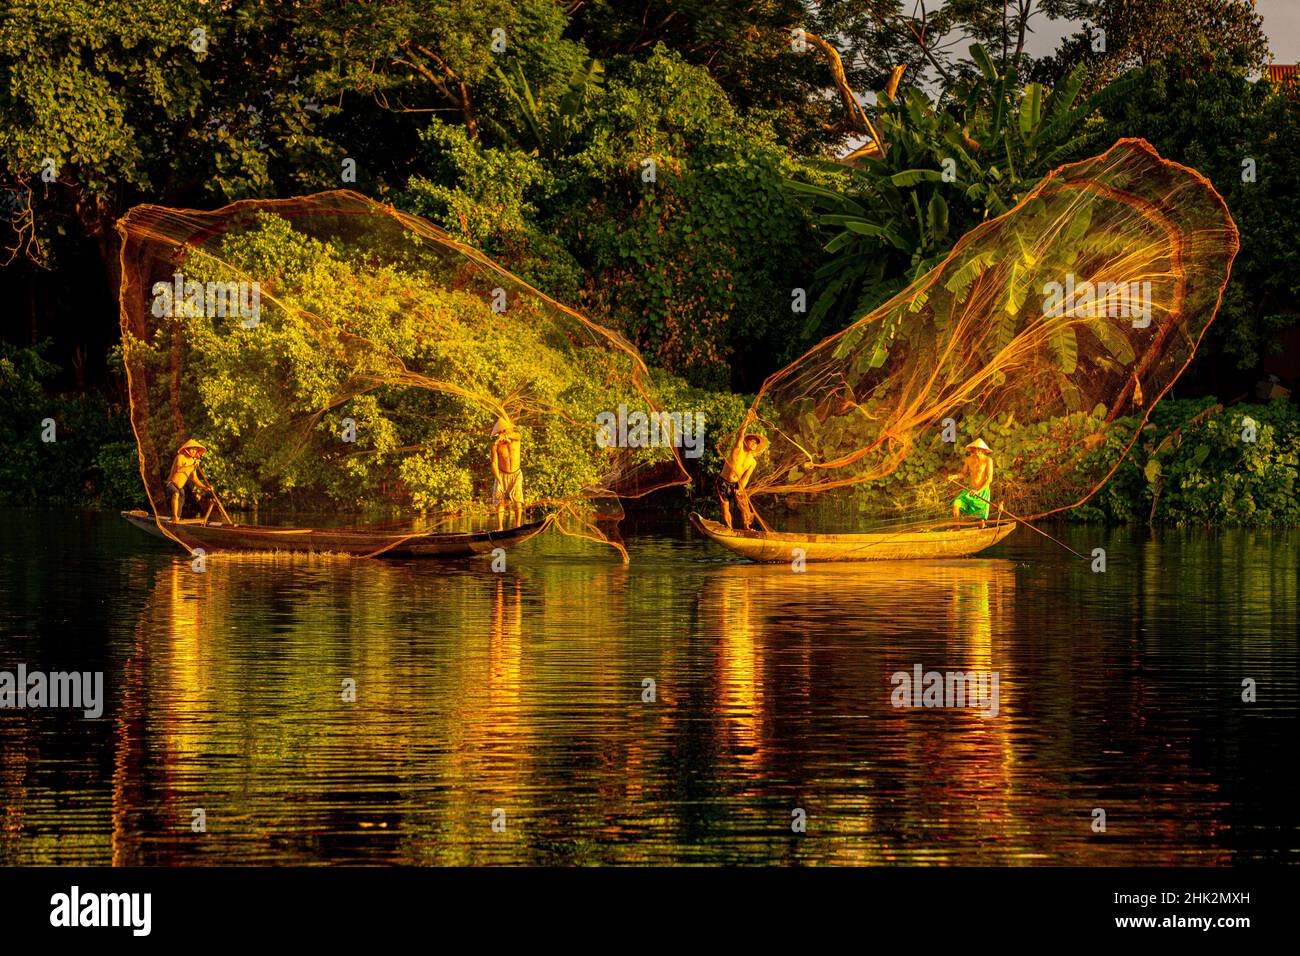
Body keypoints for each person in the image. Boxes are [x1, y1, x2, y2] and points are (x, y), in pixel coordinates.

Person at [716, 432, 768, 530]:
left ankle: (746, 527)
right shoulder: (738, 450)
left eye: (756, 443)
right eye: (752, 441)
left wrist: (740, 488)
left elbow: (746, 477)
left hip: (737, 484)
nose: (754, 443)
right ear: (746, 442)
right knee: (725, 506)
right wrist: (747, 421)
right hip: (723, 482)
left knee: (744, 505)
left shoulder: (753, 462)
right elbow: (740, 435)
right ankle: (729, 528)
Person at [166, 439, 215, 523]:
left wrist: (205, 487)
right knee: (176, 493)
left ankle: (177, 517)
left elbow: (194, 479)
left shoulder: (193, 462)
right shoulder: (180, 457)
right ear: (187, 449)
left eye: (195, 450)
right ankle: (174, 518)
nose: (194, 451)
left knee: (181, 496)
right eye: (192, 449)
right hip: (171, 484)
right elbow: (178, 469)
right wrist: (192, 466)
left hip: (180, 487)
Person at [950, 438, 995, 525]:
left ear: (983, 450)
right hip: (970, 490)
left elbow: (989, 479)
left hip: (982, 491)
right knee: (956, 504)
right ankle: (957, 528)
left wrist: (978, 491)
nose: (976, 450)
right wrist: (954, 476)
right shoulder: (968, 459)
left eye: (978, 448)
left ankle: (982, 530)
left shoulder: (988, 460)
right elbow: (963, 473)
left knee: (980, 522)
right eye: (974, 448)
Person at [490, 418, 524, 530]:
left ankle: (518, 525)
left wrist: (507, 436)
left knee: (517, 500)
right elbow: (494, 463)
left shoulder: (516, 438)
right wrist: (498, 478)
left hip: (516, 474)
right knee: (500, 502)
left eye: (502, 431)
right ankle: (500, 527)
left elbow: (517, 436)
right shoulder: (496, 446)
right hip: (501, 474)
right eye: (499, 432)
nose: (500, 434)